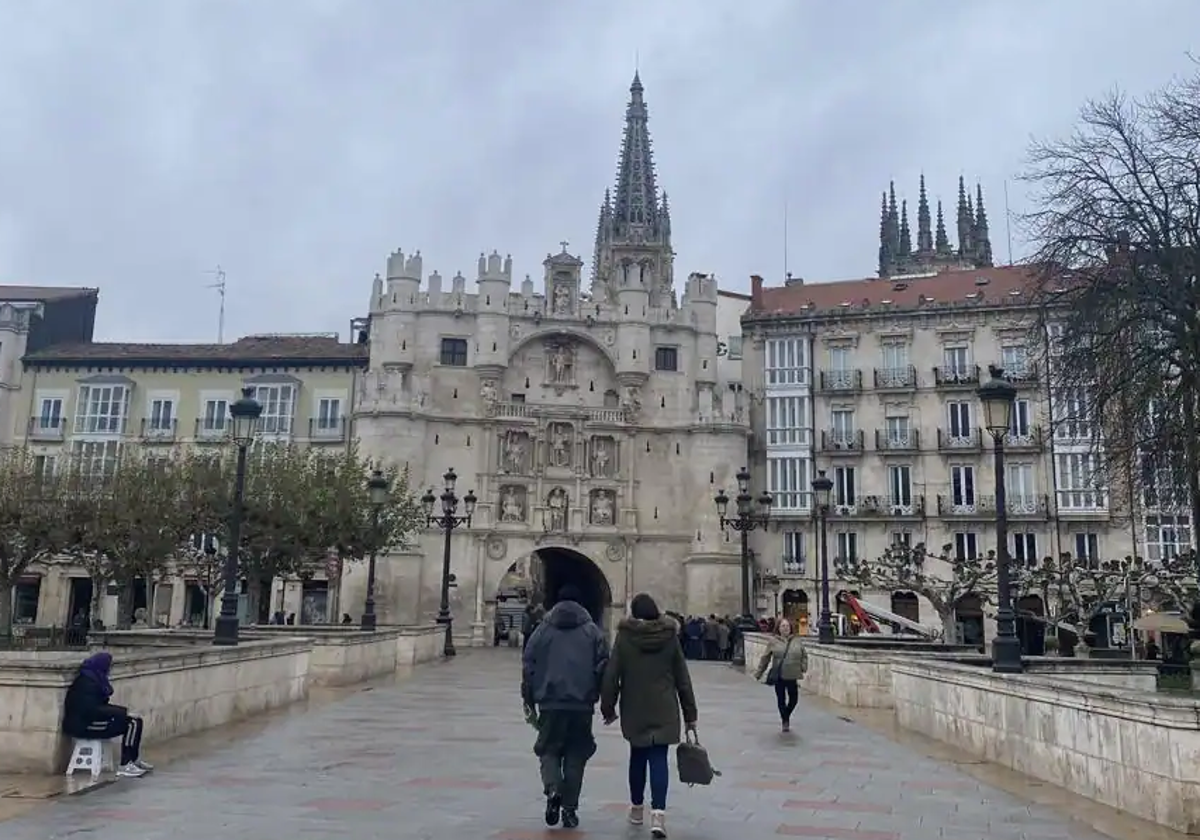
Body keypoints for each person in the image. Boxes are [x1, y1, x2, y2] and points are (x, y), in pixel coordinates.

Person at [601, 593, 697, 838]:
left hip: (634, 707)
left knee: (637, 756)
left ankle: (636, 808)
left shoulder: (625, 637)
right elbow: (682, 678)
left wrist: (608, 708)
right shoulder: (670, 636)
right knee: (659, 759)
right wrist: (690, 714)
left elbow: (612, 674)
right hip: (664, 706)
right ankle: (658, 815)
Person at [521, 585, 609, 830]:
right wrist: (601, 696)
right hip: (581, 705)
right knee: (576, 754)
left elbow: (528, 665)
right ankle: (569, 810)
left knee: (548, 749)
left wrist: (528, 699)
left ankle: (552, 790)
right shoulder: (593, 632)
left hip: (550, 702)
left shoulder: (542, 631)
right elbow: (603, 666)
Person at [61, 652, 151, 778]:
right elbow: (91, 709)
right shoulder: (86, 683)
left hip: (90, 720)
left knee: (135, 721)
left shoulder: (94, 679)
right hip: (83, 725)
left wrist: (122, 713)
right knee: (130, 723)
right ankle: (125, 764)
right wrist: (122, 712)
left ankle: (133, 759)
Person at [753, 618, 808, 732]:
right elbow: (765, 658)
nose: (785, 628)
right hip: (779, 674)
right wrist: (759, 673)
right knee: (781, 699)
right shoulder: (773, 641)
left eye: (787, 626)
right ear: (778, 628)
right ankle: (785, 721)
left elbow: (804, 655)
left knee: (794, 699)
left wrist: (803, 666)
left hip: (793, 674)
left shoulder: (796, 640)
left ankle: (786, 715)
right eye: (783, 626)